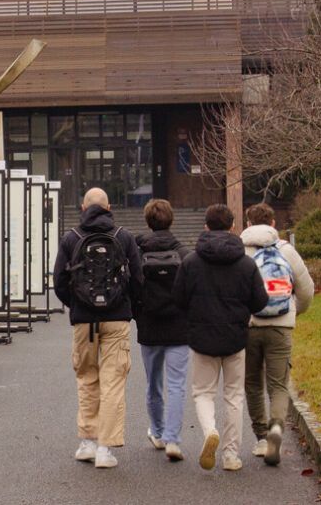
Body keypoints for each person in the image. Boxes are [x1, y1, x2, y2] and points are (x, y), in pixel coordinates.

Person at [173, 204, 268, 471]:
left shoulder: (191, 262)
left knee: (203, 393)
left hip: (202, 338)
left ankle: (209, 431)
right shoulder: (246, 264)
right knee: (234, 396)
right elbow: (260, 302)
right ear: (232, 227)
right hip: (236, 337)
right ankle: (230, 454)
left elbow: (178, 298)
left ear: (206, 226)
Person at [53, 188, 142, 469]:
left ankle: (87, 443)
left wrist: (77, 304)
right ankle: (106, 448)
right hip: (117, 318)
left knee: (87, 378)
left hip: (84, 320)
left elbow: (59, 280)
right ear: (109, 207)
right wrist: (127, 306)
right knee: (114, 381)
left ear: (83, 208)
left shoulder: (71, 238)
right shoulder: (123, 237)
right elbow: (138, 278)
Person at [241, 203, 314, 466]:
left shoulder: (241, 251)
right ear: (273, 224)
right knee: (279, 383)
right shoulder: (286, 250)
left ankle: (261, 437)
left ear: (248, 223)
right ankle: (276, 427)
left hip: (249, 326)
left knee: (252, 382)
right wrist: (294, 312)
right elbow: (306, 290)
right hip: (281, 326)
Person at [134, 199, 192, 462]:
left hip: (149, 326)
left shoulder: (138, 252)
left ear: (148, 221)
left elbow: (132, 287)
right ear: (171, 220)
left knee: (153, 383)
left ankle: (157, 432)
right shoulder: (184, 253)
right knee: (177, 384)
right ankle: (172, 438)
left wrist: (138, 315)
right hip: (179, 327)